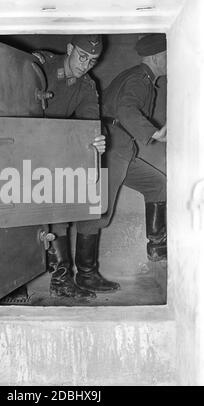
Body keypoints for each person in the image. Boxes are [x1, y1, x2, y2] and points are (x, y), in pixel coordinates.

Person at [73, 33, 167, 295]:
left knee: (158, 184)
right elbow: (126, 110)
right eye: (168, 57)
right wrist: (156, 132)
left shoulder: (142, 77)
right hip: (111, 147)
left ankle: (158, 248)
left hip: (122, 147)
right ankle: (86, 274)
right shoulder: (139, 79)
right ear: (159, 57)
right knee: (98, 208)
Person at [33, 35, 120, 300]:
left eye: (93, 60)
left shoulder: (86, 85)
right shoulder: (41, 66)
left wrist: (98, 137)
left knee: (89, 197)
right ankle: (61, 280)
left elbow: (89, 121)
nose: (86, 64)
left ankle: (86, 274)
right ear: (69, 49)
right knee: (57, 203)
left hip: (61, 148)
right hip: (29, 148)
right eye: (82, 56)